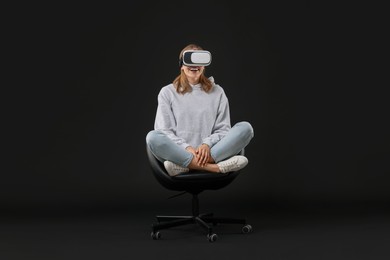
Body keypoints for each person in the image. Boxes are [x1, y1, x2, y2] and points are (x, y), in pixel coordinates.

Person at [146, 43, 254, 177]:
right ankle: (214, 168)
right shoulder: (167, 92)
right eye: (189, 60)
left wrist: (206, 145)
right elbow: (164, 131)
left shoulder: (218, 92)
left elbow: (223, 129)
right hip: (178, 151)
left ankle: (185, 166)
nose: (194, 65)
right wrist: (187, 148)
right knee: (153, 137)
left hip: (211, 151)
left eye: (199, 60)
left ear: (204, 64)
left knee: (246, 129)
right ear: (181, 65)